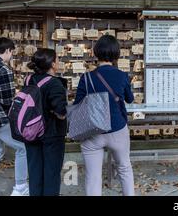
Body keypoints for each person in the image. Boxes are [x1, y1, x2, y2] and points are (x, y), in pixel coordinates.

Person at [74, 35, 135, 196]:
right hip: (117, 129)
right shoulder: (122, 76)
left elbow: (77, 104)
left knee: (92, 176)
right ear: (116, 54)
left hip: (92, 131)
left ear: (96, 53)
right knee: (124, 169)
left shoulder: (86, 78)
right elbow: (130, 99)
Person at [24, 48, 68, 196]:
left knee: (34, 171)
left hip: (31, 131)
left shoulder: (28, 79)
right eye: (57, 59)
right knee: (51, 173)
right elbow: (61, 112)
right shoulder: (55, 84)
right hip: (51, 133)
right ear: (53, 64)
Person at [0, 38, 29, 196]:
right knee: (22, 148)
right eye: (12, 52)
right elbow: (7, 100)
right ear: (8, 51)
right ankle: (20, 188)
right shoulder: (3, 69)